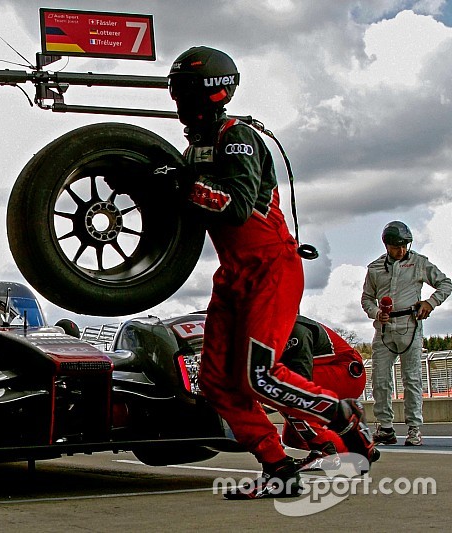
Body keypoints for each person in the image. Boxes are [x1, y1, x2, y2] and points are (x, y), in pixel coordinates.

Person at [167, 46, 376, 498]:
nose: (178, 101)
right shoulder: (193, 148)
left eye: (184, 90)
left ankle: (342, 416)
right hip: (233, 274)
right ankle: (279, 468)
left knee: (260, 374)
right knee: (219, 384)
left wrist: (184, 185)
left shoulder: (237, 136)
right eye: (174, 90)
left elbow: (239, 206)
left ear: (210, 92)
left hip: (271, 267)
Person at [362, 221, 451, 446]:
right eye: (396, 246)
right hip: (384, 330)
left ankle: (414, 429)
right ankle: (386, 428)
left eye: (404, 245)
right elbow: (366, 299)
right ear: (387, 246)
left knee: (412, 379)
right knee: (380, 379)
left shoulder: (418, 263)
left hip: (411, 325)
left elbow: (446, 284)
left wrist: (430, 303)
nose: (401, 250)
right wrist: (375, 313)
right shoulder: (374, 268)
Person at [279, 316, 366, 463]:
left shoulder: (294, 328)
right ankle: (354, 445)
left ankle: (324, 451)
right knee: (292, 439)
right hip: (336, 372)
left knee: (286, 389)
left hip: (346, 372)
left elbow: (300, 385)